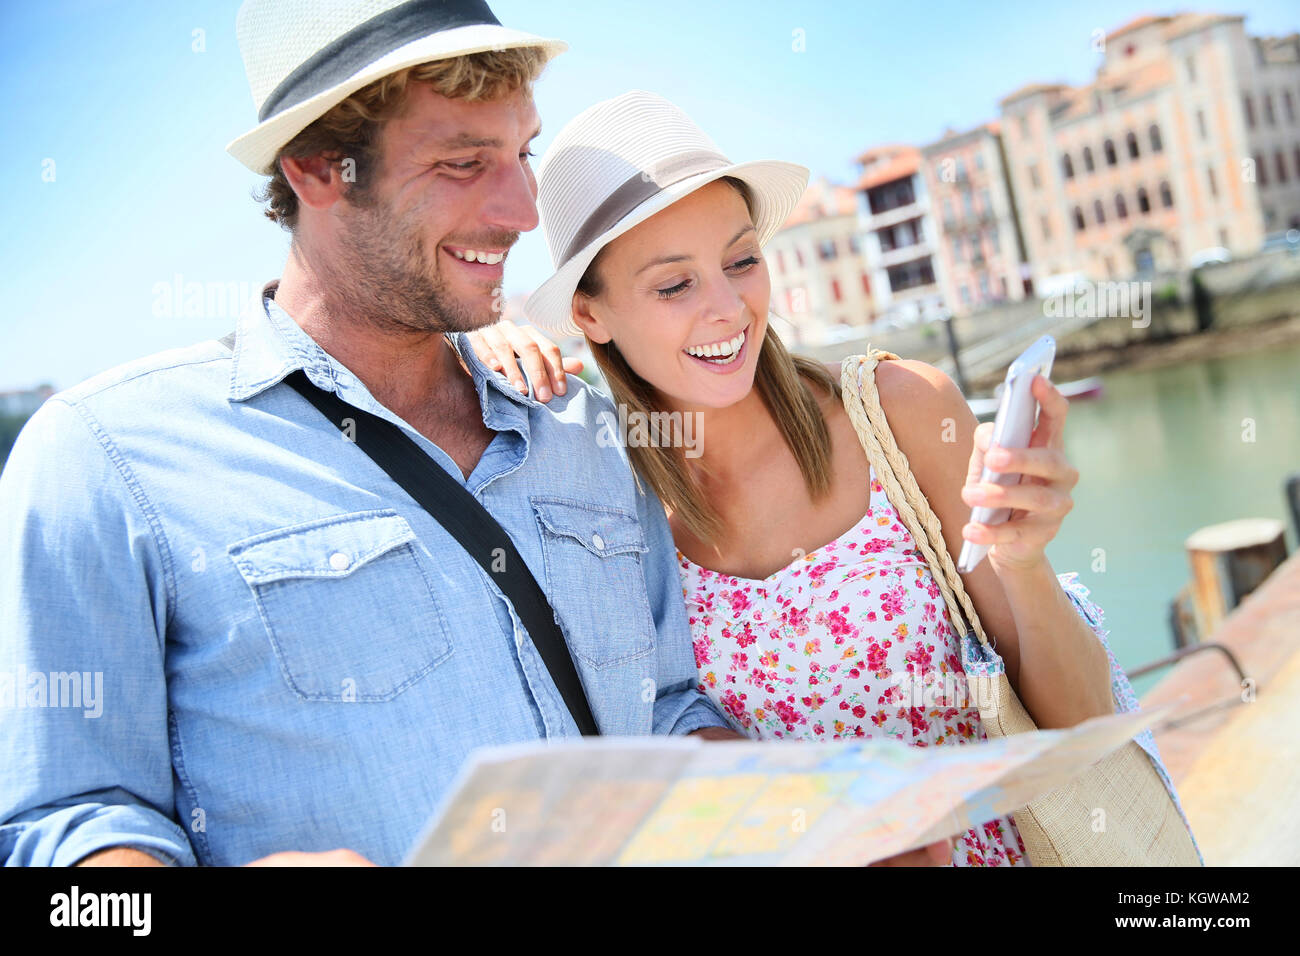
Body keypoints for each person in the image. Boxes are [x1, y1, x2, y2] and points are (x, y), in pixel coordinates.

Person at [0, 1, 754, 868]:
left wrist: (821, 833)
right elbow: (64, 845)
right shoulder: (102, 458)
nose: (520, 210)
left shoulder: (582, 431)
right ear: (318, 169)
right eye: (464, 162)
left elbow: (666, 713)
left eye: (522, 153)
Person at [472, 90, 1199, 866]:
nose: (727, 308)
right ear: (590, 315)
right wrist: (473, 354)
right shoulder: (610, 508)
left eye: (741, 260)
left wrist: (1023, 567)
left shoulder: (900, 412)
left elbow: (1079, 731)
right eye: (674, 285)